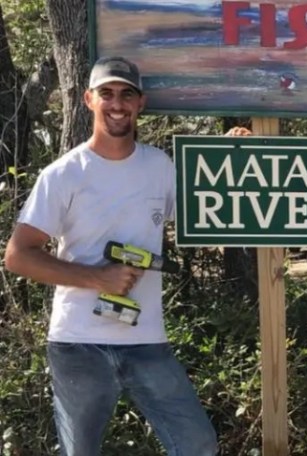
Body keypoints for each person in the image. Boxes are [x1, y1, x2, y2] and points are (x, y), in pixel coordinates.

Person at [3, 56, 251, 456]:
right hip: (77, 344)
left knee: (197, 444)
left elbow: (205, 204)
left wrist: (232, 153)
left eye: (126, 94)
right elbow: (18, 256)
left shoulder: (160, 166)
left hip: (146, 340)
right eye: (107, 93)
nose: (117, 103)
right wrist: (98, 278)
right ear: (89, 99)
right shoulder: (65, 174)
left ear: (140, 103)